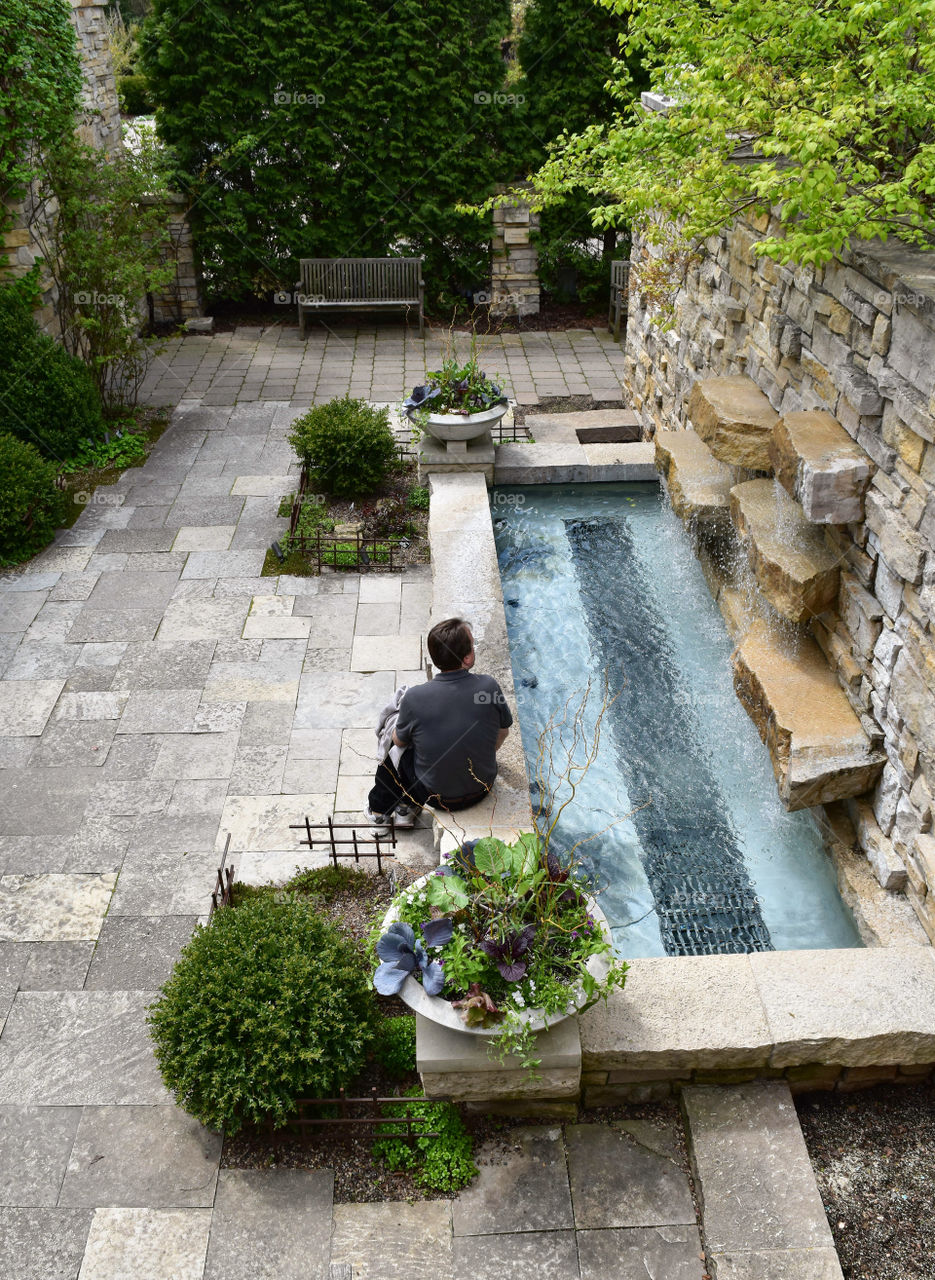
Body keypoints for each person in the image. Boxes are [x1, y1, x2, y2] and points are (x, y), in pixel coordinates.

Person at [364, 617, 512, 833]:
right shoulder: (489, 687)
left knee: (394, 746)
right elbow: (504, 731)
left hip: (435, 797)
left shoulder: (415, 697)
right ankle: (404, 808)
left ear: (434, 658)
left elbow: (398, 741)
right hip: (482, 787)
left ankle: (380, 814)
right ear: (468, 657)